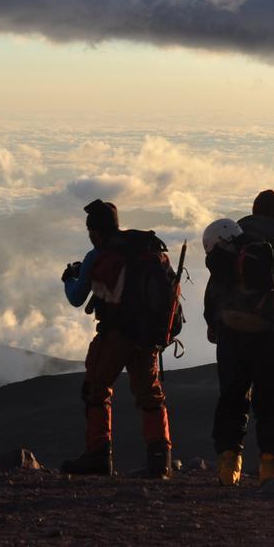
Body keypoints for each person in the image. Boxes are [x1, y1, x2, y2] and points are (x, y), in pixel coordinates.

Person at [203, 189, 274, 486]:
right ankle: (271, 467)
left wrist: (213, 323)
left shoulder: (231, 242)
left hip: (230, 333)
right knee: (270, 402)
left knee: (231, 399)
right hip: (269, 337)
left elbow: (214, 287)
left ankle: (228, 467)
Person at [60, 199, 173, 478]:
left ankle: (99, 456)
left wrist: (68, 279)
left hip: (115, 334)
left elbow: (76, 298)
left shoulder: (97, 256)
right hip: (147, 336)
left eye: (90, 230)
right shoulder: (146, 249)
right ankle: (161, 460)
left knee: (96, 389)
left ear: (96, 230)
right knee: (150, 394)